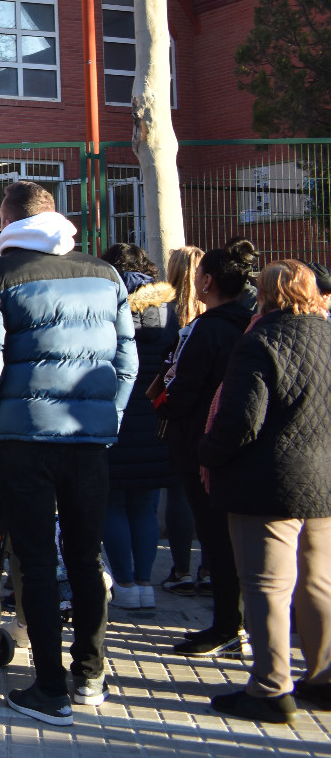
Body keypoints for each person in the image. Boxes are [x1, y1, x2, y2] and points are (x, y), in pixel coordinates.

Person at [0, 183, 134, 727]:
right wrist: (109, 419)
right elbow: (125, 362)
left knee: (35, 562)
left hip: (23, 440)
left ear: (6, 220)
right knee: (85, 559)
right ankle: (90, 674)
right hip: (89, 441)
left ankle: (50, 688)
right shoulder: (106, 275)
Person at [200, 260, 331, 724]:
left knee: (267, 586)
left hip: (266, 483)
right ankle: (323, 674)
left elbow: (239, 421)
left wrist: (207, 454)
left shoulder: (260, 341)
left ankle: (271, 686)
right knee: (318, 581)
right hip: (324, 479)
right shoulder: (327, 335)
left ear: (266, 295)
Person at [159, 239, 258, 657]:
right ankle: (244, 625)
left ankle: (226, 626)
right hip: (241, 448)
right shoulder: (253, 325)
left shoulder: (208, 329)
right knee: (235, 543)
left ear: (209, 281)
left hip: (201, 444)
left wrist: (164, 391)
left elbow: (182, 390)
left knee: (216, 540)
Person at [101, 243, 175, 611]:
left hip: (115, 414)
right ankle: (145, 584)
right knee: (144, 505)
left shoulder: (107, 306)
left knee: (112, 504)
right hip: (153, 420)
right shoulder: (169, 311)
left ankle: (125, 585)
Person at [155, 245, 204, 594]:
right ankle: (210, 567)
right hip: (208, 411)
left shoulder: (164, 308)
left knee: (177, 492)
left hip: (174, 409)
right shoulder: (215, 309)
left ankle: (181, 568)